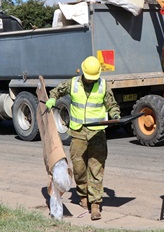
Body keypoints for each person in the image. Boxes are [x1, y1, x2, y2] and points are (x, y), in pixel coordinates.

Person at [45, 56, 121, 220]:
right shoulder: (73, 83)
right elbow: (56, 91)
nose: (91, 81)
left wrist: (115, 114)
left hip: (97, 133)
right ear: (83, 73)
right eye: (89, 77)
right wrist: (52, 98)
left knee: (96, 168)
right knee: (79, 168)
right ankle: (83, 195)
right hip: (78, 132)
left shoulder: (102, 85)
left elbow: (112, 105)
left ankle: (95, 204)